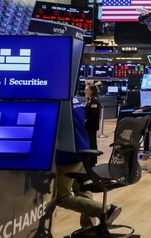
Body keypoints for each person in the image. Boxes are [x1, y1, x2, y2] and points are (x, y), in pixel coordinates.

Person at [55, 97, 121, 229]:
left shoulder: (56, 102)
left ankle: (106, 210)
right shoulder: (75, 101)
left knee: (61, 197)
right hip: (83, 151)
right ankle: (89, 228)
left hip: (66, 155)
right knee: (82, 191)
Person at [83, 83, 101, 167]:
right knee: (90, 143)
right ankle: (90, 161)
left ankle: (92, 162)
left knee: (92, 143)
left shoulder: (94, 101)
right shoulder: (89, 100)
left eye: (87, 90)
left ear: (92, 91)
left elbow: (93, 115)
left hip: (91, 126)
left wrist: (86, 121)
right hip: (89, 126)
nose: (85, 91)